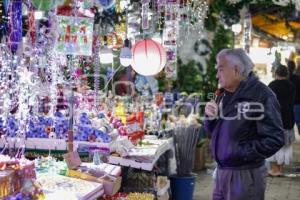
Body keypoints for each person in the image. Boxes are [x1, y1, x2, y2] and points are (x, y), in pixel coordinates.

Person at [204, 48, 284, 200]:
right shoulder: (224, 94)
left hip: (245, 174)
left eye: (220, 69)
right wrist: (211, 118)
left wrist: (240, 152)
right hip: (222, 172)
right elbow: (212, 131)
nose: (217, 75)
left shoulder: (262, 95)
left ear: (236, 70)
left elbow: (275, 138)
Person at [267, 64, 296, 176]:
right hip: (288, 116)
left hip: (275, 117)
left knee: (275, 143)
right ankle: (279, 168)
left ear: (276, 73)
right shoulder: (291, 86)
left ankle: (275, 170)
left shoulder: (272, 85)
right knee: (285, 144)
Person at [287, 60, 300, 135]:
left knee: (289, 125)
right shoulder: (298, 79)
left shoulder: (285, 79)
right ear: (294, 68)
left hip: (288, 105)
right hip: (298, 104)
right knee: (299, 123)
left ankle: (289, 141)